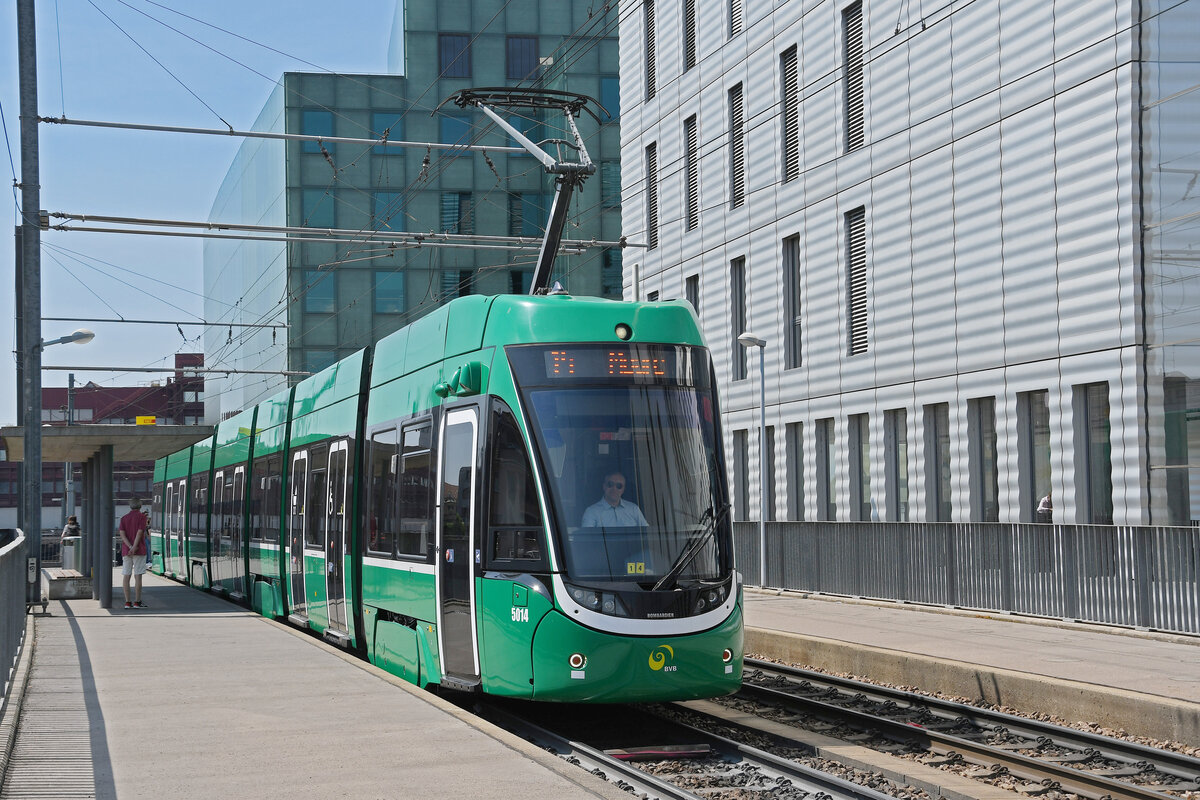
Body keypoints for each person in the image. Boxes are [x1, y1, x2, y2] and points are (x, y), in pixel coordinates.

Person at [582, 471, 649, 528]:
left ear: (623, 489)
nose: (614, 489)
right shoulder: (591, 512)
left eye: (619, 486)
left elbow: (646, 533)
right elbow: (588, 540)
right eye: (610, 484)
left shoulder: (634, 509)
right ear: (604, 486)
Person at [119, 499, 149, 609]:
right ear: (140, 506)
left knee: (126, 575)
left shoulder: (124, 518)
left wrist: (130, 547)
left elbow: (122, 535)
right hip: (139, 550)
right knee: (138, 576)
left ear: (130, 506)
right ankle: (137, 602)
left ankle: (127, 602)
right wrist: (135, 547)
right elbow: (140, 532)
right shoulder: (142, 517)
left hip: (126, 551)